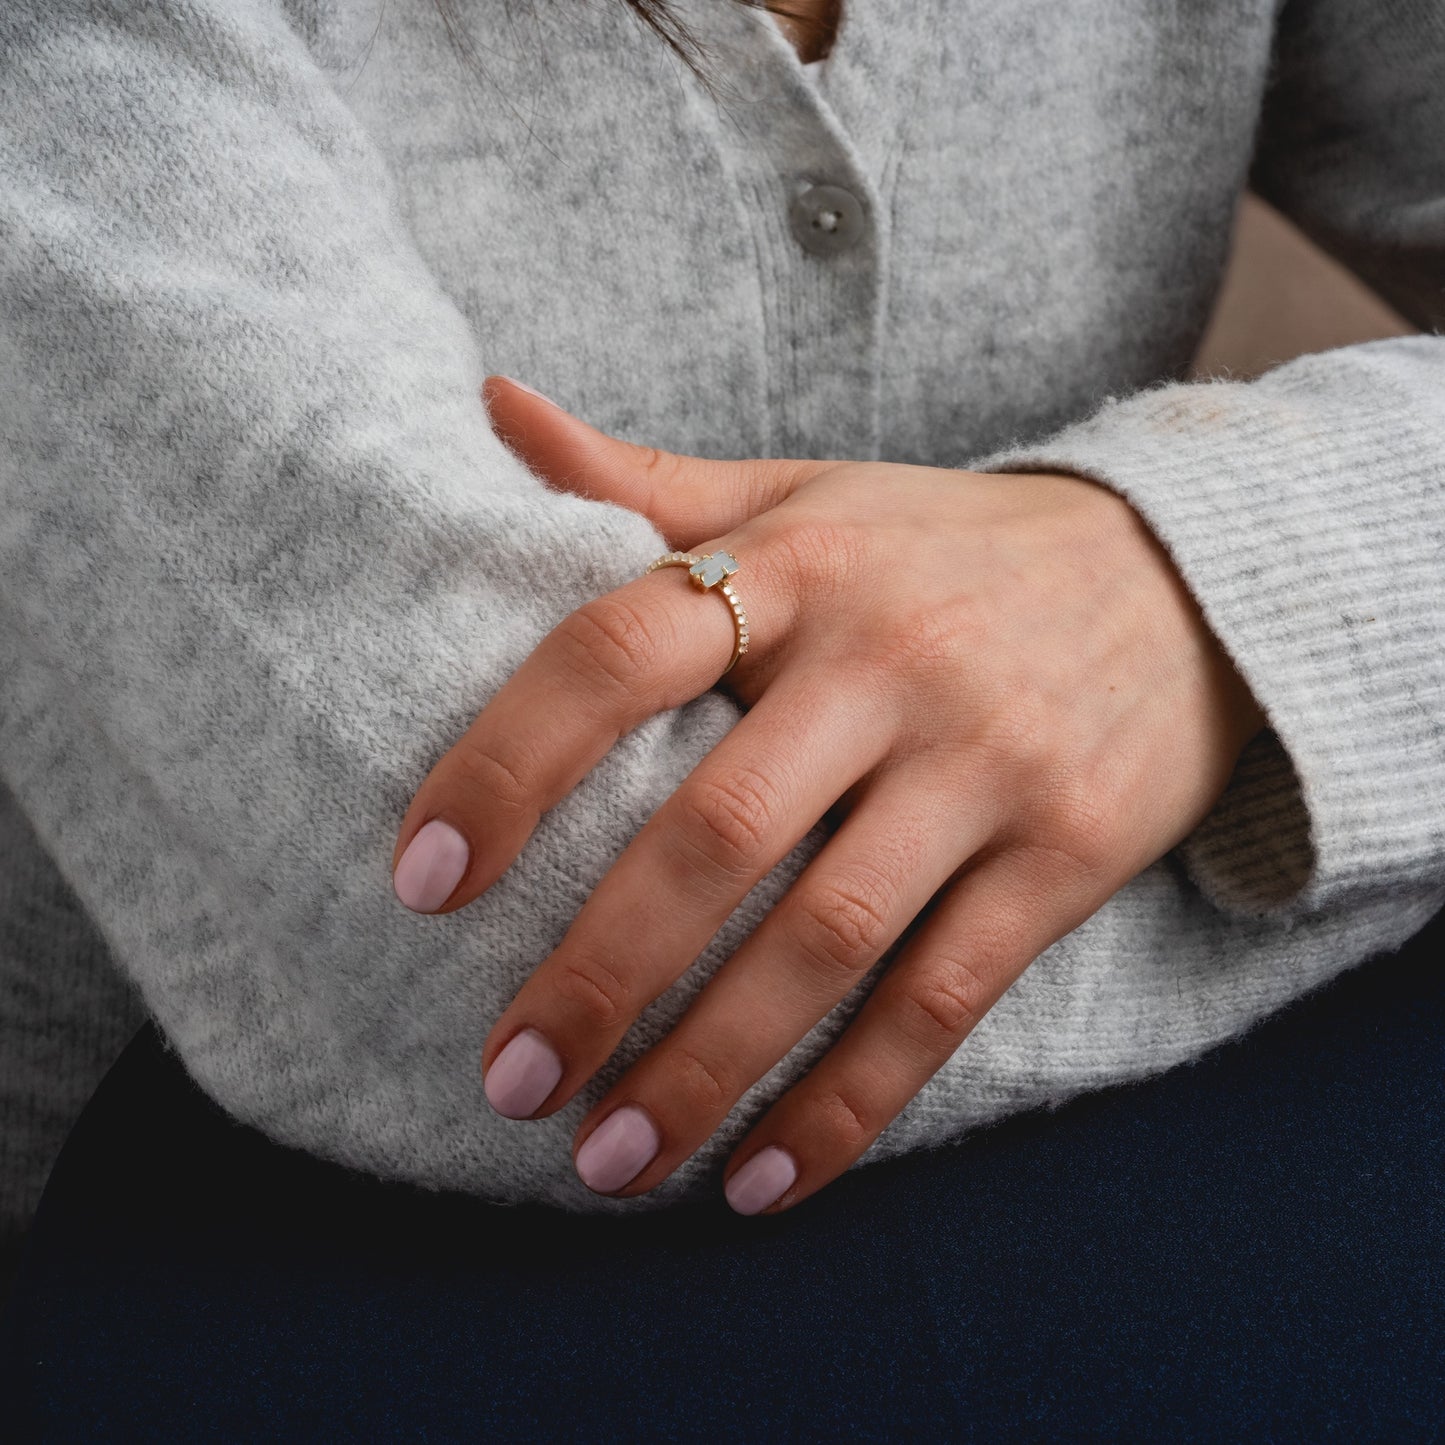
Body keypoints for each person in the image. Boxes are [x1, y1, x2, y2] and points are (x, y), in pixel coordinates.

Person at [2, 0, 1442, 1274]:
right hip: (261, 1293)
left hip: (1102, 1245)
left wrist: (1195, 583)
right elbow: (536, 937)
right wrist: (1323, 711)